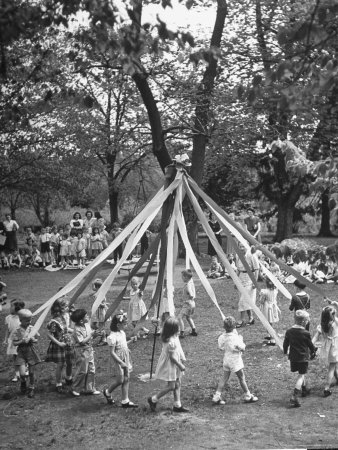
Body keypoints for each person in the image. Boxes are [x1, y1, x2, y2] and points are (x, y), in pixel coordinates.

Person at [212, 316, 258, 405]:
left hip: (226, 360)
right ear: (234, 327)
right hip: (235, 361)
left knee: (224, 378)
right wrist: (241, 339)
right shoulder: (236, 338)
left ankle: (216, 396)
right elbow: (243, 348)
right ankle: (248, 395)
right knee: (241, 378)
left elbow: (221, 347)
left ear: (224, 327)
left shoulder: (221, 337)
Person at [147, 317, 189, 413]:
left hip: (176, 362)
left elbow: (179, 348)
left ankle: (177, 405)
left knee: (178, 383)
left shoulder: (174, 337)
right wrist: (180, 365)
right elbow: (172, 358)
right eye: (177, 327)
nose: (179, 329)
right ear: (173, 330)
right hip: (171, 364)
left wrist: (182, 358)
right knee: (171, 386)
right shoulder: (171, 342)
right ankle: (153, 399)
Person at [103, 311, 138, 408]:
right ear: (118, 325)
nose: (126, 325)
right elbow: (112, 352)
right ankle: (107, 392)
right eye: (125, 324)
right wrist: (121, 362)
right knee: (120, 380)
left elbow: (123, 345)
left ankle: (125, 400)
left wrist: (131, 341)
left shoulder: (122, 332)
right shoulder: (112, 337)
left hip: (125, 358)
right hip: (118, 360)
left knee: (127, 378)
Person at [283, 310, 316, 407]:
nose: (307, 322)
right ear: (303, 322)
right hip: (303, 357)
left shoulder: (289, 331)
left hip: (293, 357)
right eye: (307, 321)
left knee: (301, 373)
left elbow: (285, 344)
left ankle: (304, 389)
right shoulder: (305, 333)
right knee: (301, 376)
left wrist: (285, 352)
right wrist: (314, 351)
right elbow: (310, 345)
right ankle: (295, 396)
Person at [45, 298, 74, 393]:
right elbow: (49, 334)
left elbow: (66, 329)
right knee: (60, 364)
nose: (67, 308)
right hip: (60, 344)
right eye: (65, 306)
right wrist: (59, 343)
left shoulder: (64, 317)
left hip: (68, 342)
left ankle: (68, 378)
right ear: (59, 308)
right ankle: (58, 383)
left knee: (70, 362)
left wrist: (76, 331)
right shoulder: (54, 321)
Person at [70, 308, 101, 396]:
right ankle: (75, 388)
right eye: (86, 316)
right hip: (81, 352)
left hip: (89, 349)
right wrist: (91, 335)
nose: (88, 316)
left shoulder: (87, 325)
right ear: (81, 321)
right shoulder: (77, 329)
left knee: (91, 369)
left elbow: (89, 338)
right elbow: (82, 341)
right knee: (82, 371)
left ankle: (90, 388)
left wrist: (95, 335)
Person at [12, 309, 41, 398]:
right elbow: (14, 343)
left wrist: (33, 340)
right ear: (21, 320)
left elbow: (37, 339)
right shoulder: (17, 330)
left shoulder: (32, 328)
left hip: (31, 352)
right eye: (27, 320)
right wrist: (22, 341)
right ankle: (23, 382)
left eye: (30, 320)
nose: (29, 322)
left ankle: (31, 387)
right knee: (22, 374)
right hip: (21, 353)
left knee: (31, 373)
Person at [312, 303, 338, 397]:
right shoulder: (335, 323)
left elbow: (316, 336)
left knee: (334, 363)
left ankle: (337, 377)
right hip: (335, 347)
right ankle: (326, 388)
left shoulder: (322, 325)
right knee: (332, 367)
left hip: (327, 347)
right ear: (332, 315)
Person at [236, 245, 259, 328]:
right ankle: (251, 318)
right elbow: (238, 269)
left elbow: (256, 269)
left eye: (243, 246)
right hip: (241, 278)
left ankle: (241, 320)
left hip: (250, 278)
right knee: (245, 299)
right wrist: (236, 281)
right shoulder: (237, 255)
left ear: (246, 246)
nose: (241, 248)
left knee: (243, 299)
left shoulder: (251, 255)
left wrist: (254, 282)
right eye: (240, 246)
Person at [3, 299, 25, 382]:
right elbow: (7, 330)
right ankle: (17, 374)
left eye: (11, 306)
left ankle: (24, 369)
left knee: (23, 356)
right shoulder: (8, 318)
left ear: (17, 308)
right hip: (12, 341)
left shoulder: (21, 318)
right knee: (15, 358)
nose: (10, 308)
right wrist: (5, 339)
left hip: (20, 341)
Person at [258, 278, 280, 345]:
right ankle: (269, 335)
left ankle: (272, 338)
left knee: (268, 322)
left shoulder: (264, 292)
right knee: (270, 322)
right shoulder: (275, 291)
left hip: (267, 307)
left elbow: (261, 301)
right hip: (273, 306)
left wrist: (260, 296)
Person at [178, 269, 197, 338]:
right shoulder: (191, 282)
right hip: (192, 303)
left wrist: (191, 295)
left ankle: (182, 332)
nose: (181, 278)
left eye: (182, 277)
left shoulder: (188, 284)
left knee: (179, 317)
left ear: (186, 277)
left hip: (188, 304)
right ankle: (194, 330)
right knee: (188, 317)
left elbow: (189, 291)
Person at [90, 278, 109, 345]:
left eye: (99, 287)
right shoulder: (96, 291)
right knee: (92, 325)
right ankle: (103, 334)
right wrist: (94, 281)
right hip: (96, 311)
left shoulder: (102, 294)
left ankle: (103, 339)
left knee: (101, 326)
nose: (97, 288)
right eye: (96, 286)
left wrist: (99, 303)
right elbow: (93, 288)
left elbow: (103, 305)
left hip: (101, 312)